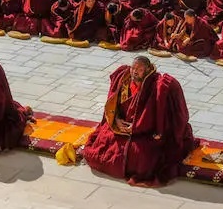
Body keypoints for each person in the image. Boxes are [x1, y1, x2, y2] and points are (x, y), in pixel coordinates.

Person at [84, 56, 197, 186]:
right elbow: (113, 107)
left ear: (148, 70)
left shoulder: (156, 87)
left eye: (139, 69)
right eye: (133, 68)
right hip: (120, 127)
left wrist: (136, 127)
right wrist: (116, 119)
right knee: (102, 143)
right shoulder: (124, 80)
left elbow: (158, 118)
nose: (134, 72)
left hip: (145, 132)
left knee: (142, 157)